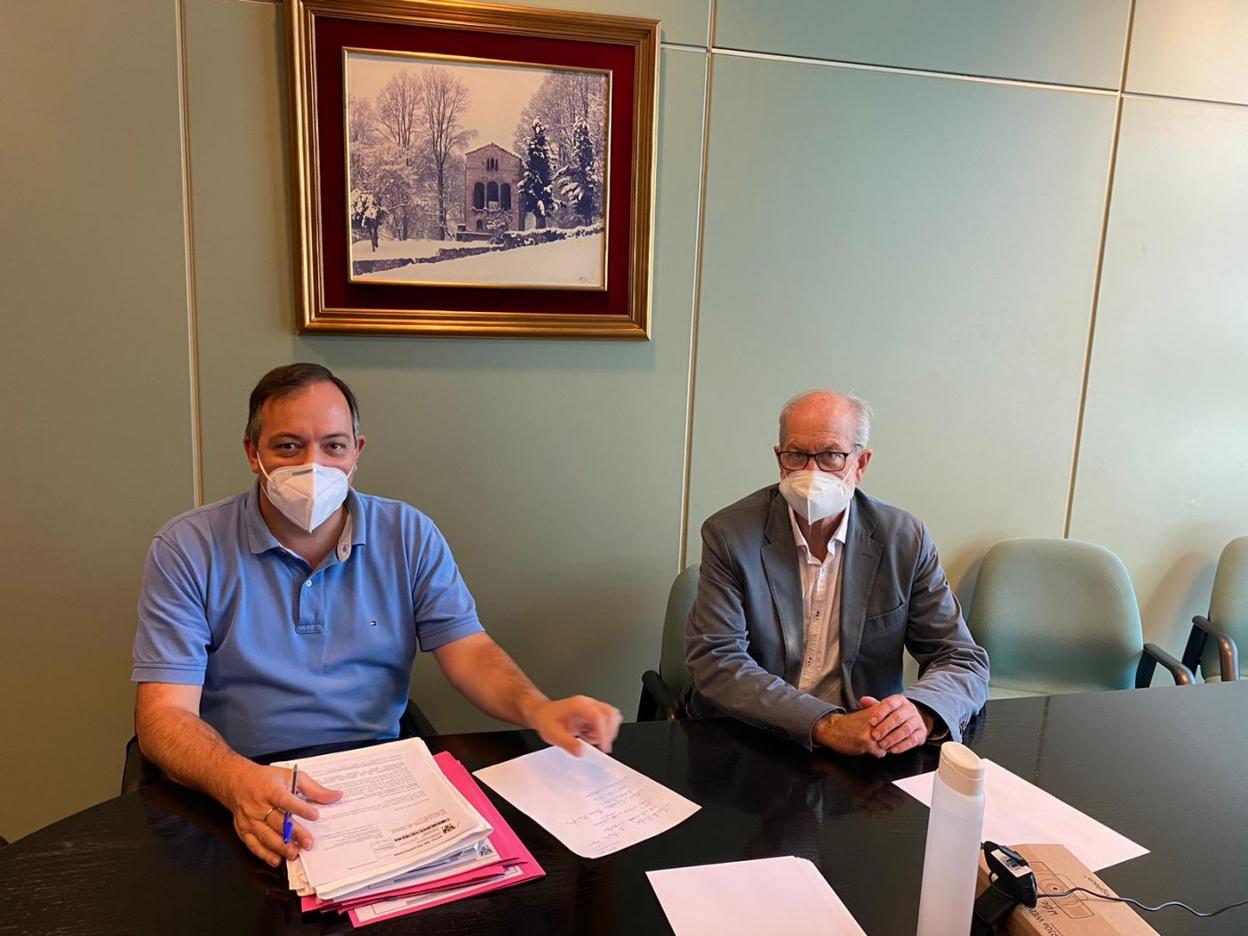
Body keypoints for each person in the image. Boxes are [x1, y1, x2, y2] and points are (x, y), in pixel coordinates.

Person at [132, 363, 622, 868]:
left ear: (357, 453)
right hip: (242, 781)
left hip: (378, 781)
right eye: (288, 446)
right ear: (252, 453)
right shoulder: (187, 547)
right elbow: (164, 716)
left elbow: (470, 651)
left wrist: (538, 708)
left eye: (333, 446)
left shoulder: (408, 534)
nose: (313, 465)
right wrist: (236, 783)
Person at [685, 389, 988, 758]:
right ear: (780, 459)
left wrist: (920, 714)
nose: (811, 473)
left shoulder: (904, 539)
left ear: (860, 464)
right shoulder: (730, 534)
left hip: (867, 744)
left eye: (831, 456)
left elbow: (960, 658)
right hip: (753, 740)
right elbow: (716, 661)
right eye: (796, 455)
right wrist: (826, 724)